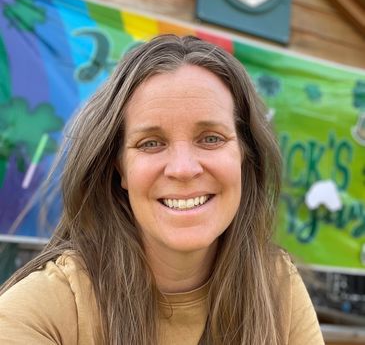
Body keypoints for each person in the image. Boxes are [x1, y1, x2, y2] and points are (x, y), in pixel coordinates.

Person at [0, 35, 324, 345]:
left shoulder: (277, 286)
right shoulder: (44, 310)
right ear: (120, 169)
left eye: (211, 138)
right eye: (151, 143)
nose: (183, 169)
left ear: (243, 154)